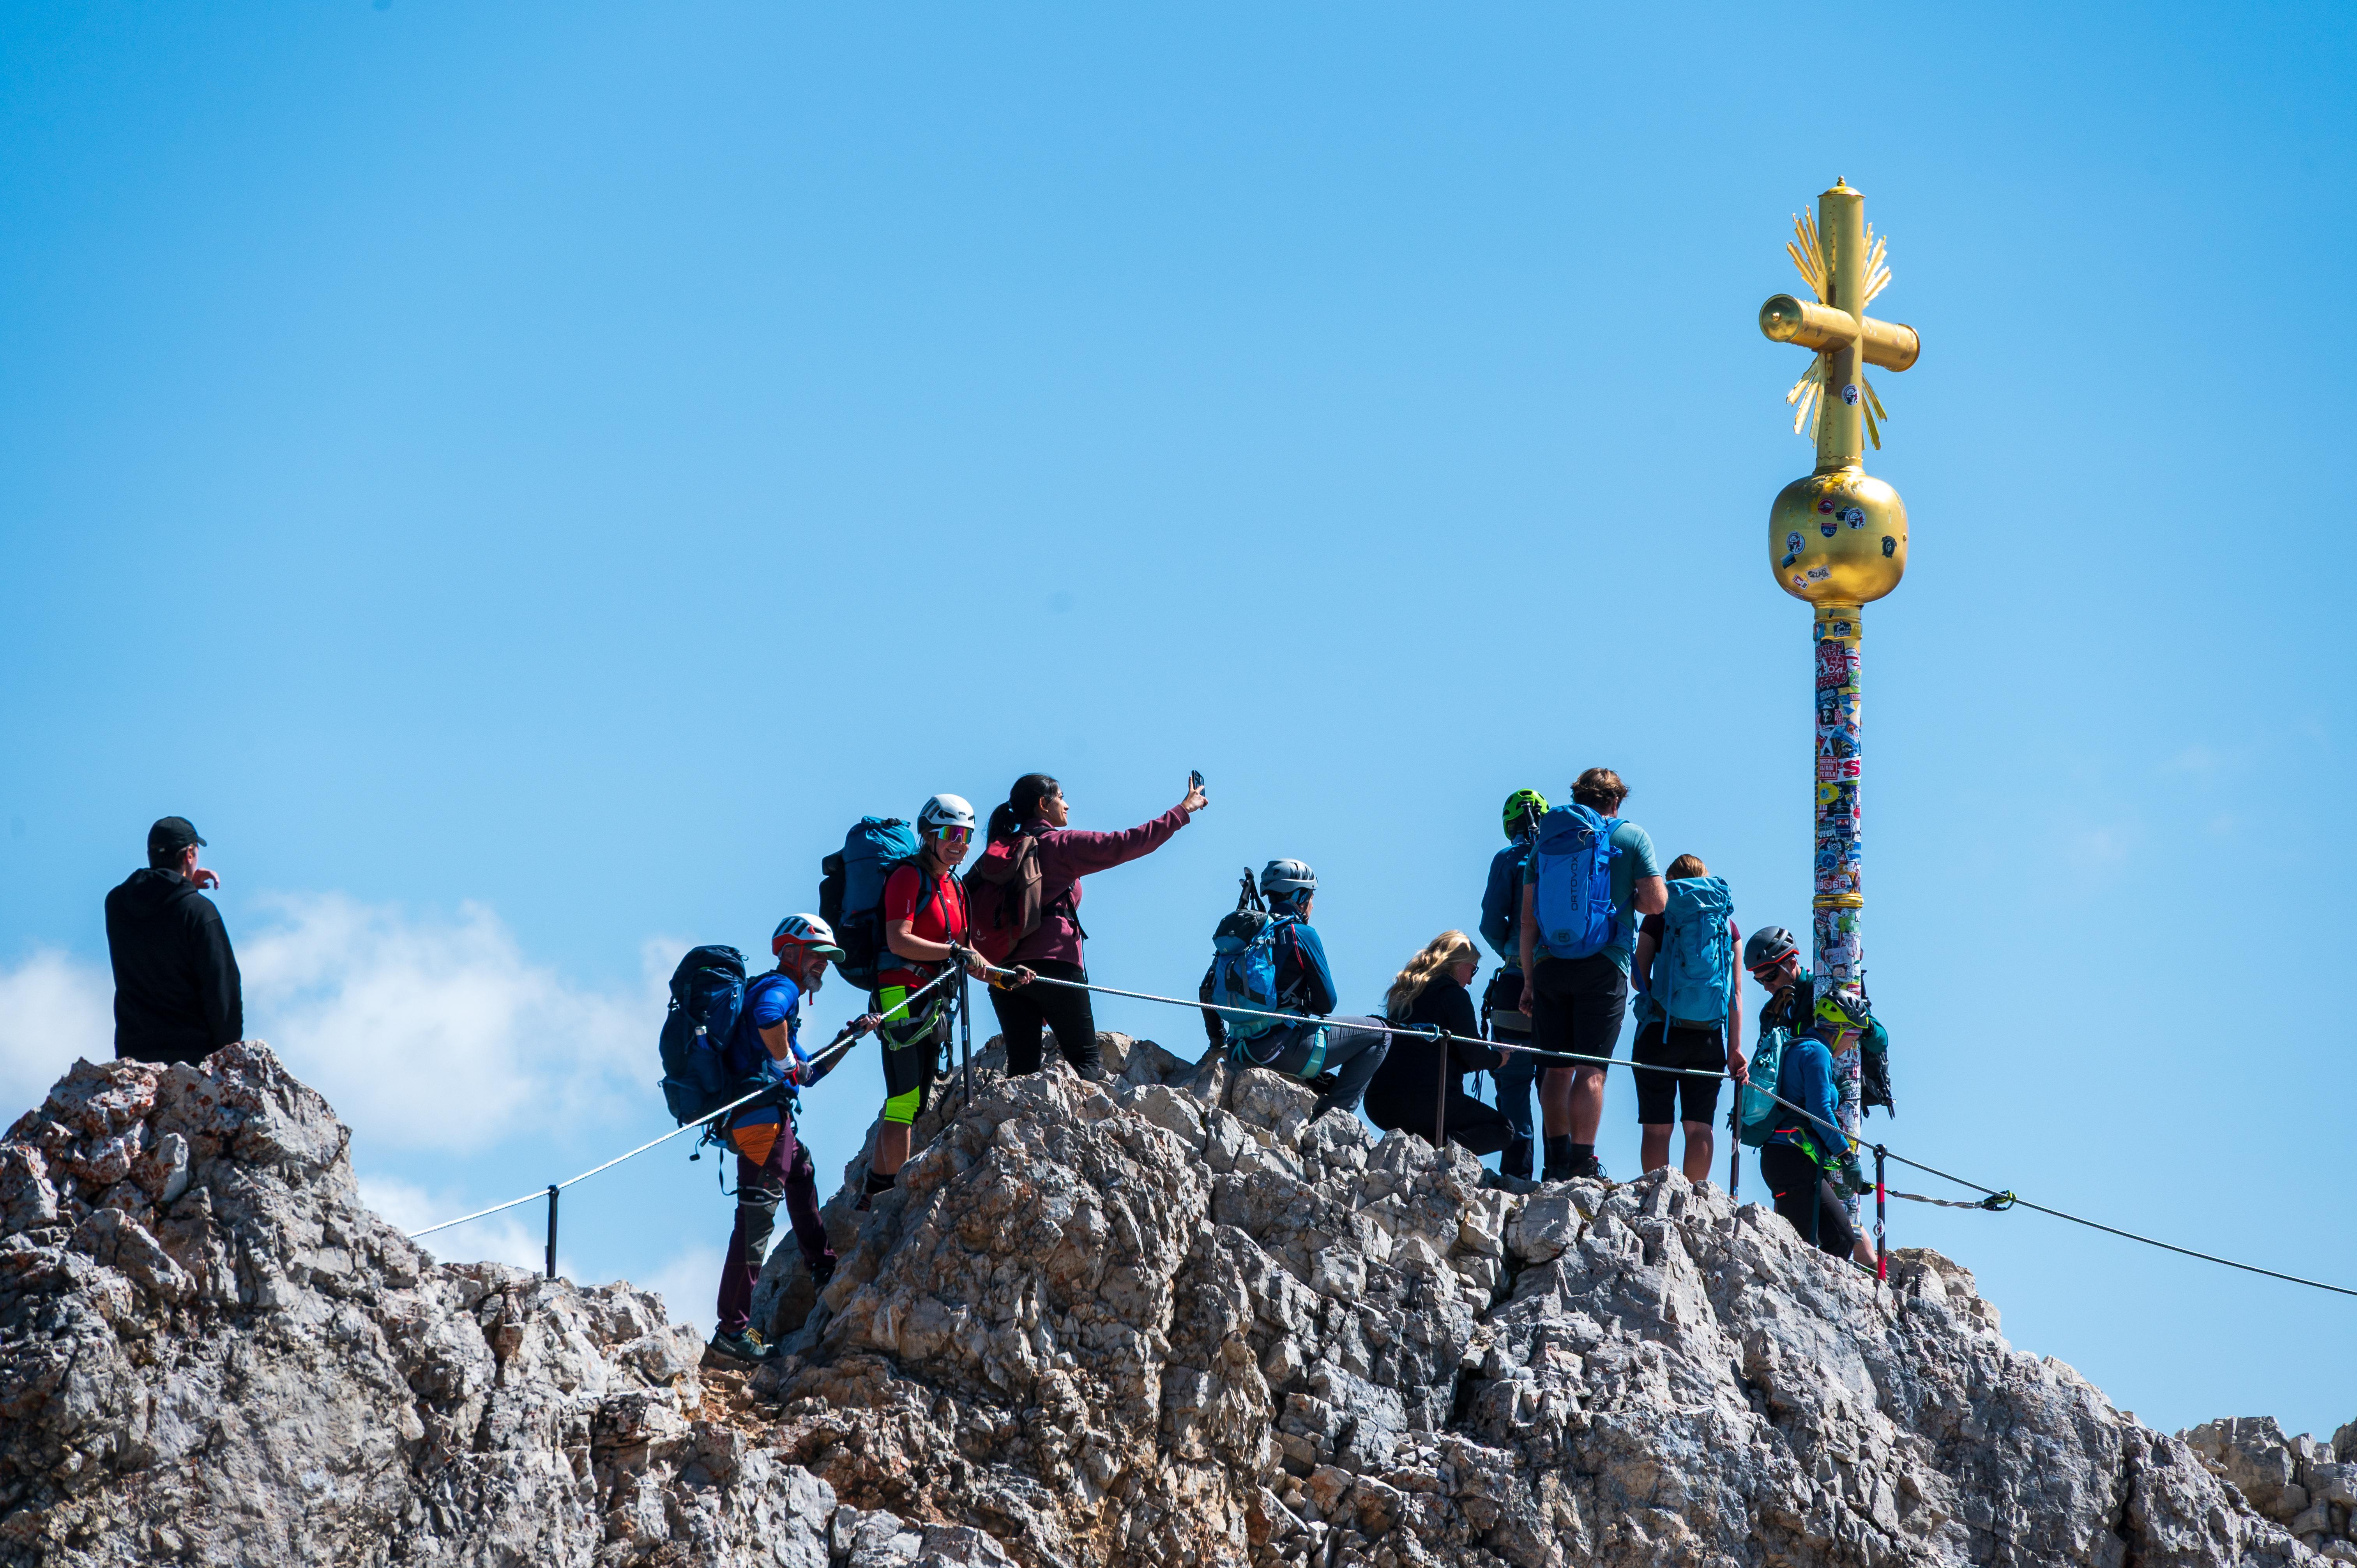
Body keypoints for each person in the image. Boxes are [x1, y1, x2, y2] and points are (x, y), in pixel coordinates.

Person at [710, 914, 873, 1362]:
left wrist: (849, 1038)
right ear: (791, 952)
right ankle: (731, 1331)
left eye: (827, 958)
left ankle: (822, 1265)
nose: (824, 964)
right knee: (755, 1223)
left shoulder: (779, 994)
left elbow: (809, 1073)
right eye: (818, 955)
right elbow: (770, 1021)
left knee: (801, 1170)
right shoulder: (780, 988)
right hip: (763, 1123)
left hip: (761, 1120)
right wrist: (785, 1064)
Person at [976, 772, 1207, 1081]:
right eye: (1061, 798)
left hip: (1003, 971)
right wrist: (1182, 811)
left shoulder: (997, 852)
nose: (1067, 805)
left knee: (1021, 1071)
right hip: (1056, 965)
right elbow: (1125, 843)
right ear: (1043, 804)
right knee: (1085, 1064)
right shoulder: (1059, 845)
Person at [1517, 768, 1666, 1181]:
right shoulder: (1631, 836)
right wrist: (1629, 896)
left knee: (1555, 1068)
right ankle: (1582, 1163)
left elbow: (1528, 921)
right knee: (1591, 1068)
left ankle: (1555, 1163)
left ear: (1577, 797)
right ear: (1616, 800)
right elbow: (1656, 903)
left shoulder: (1546, 841)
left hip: (1549, 962)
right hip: (1604, 961)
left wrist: (1529, 981)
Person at [860, 793, 994, 1210]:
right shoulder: (907, 876)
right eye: (952, 834)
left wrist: (1004, 976)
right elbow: (898, 939)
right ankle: (888, 1195)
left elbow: (966, 951)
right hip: (899, 994)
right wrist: (953, 952)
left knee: (914, 1101)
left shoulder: (955, 886)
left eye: (967, 836)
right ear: (929, 835)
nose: (960, 844)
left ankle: (874, 1192)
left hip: (932, 999)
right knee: (904, 1099)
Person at [1198, 860, 1389, 1123]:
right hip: (1282, 1050)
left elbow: (1206, 991)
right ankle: (1327, 1120)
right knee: (1381, 1033)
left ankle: (1314, 1084)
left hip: (1238, 1049)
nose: (1312, 905)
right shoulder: (1301, 934)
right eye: (1311, 896)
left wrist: (1218, 1043)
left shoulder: (1247, 934)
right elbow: (1327, 1003)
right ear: (1300, 897)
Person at [1630, 854, 1746, 1184]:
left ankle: (1657, 1196)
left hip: (1660, 1032)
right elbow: (1735, 995)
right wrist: (1734, 1050)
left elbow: (1639, 979)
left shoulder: (1660, 915)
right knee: (1700, 1127)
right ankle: (1693, 1201)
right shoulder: (1727, 925)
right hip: (1708, 1039)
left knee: (1657, 1128)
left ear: (1670, 882)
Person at [104, 816, 243, 1067]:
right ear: (190, 854)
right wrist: (228, 1058)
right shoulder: (199, 911)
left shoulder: (116, 904)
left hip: (136, 1056)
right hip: (192, 1060)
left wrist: (185, 887)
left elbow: (159, 926)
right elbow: (222, 989)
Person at [1363, 931, 1513, 1158]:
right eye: (1473, 969)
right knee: (1503, 1130)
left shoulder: (1404, 993)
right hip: (1426, 1103)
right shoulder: (1453, 995)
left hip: (1379, 1103)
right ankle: (1441, 1153)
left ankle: (1429, 1148)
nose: (1471, 980)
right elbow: (1474, 1056)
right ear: (1458, 963)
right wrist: (1499, 1059)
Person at [1759, 991, 1878, 1267]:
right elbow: (1819, 1112)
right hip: (1793, 1161)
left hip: (1786, 1159)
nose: (1852, 1044)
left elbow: (1805, 1099)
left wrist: (1836, 1091)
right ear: (1839, 1029)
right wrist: (1847, 1156)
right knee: (1826, 1242)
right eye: (1854, 1035)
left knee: (1832, 1239)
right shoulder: (1817, 1053)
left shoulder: (1801, 1046)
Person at [1478, 788, 1549, 1179]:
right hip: (1563, 985)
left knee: (1514, 1083)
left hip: (1515, 981)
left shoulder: (1509, 859)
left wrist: (1513, 951)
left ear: (1510, 826)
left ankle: (1517, 1177)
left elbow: (1491, 924)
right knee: (1557, 1079)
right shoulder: (1563, 859)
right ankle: (1564, 1172)